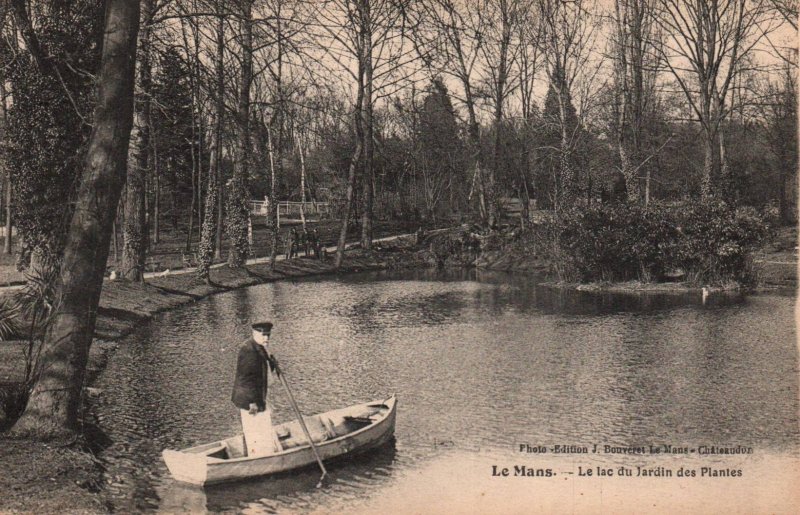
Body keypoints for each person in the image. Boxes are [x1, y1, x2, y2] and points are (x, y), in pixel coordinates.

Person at [231, 322, 283, 457]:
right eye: (263, 335)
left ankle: (263, 454)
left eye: (268, 335)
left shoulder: (259, 346)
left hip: (258, 395)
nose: (266, 338)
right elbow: (246, 380)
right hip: (250, 400)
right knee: (255, 429)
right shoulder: (248, 351)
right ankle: (260, 457)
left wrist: (272, 362)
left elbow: (264, 366)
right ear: (254, 333)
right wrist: (252, 403)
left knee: (262, 427)